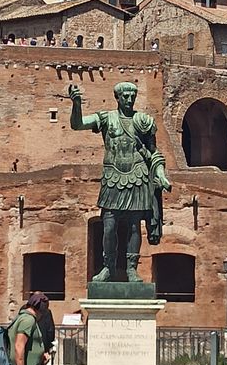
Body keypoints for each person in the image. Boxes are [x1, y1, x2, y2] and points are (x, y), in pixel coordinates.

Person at [68, 82, 171, 282]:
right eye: (125, 96)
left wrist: (160, 174)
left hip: (137, 175)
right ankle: (108, 267)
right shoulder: (106, 118)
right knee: (109, 225)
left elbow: (153, 153)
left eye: (132, 96)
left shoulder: (143, 121)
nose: (129, 100)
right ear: (117, 97)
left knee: (134, 226)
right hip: (113, 177)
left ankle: (132, 269)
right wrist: (77, 103)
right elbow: (77, 124)